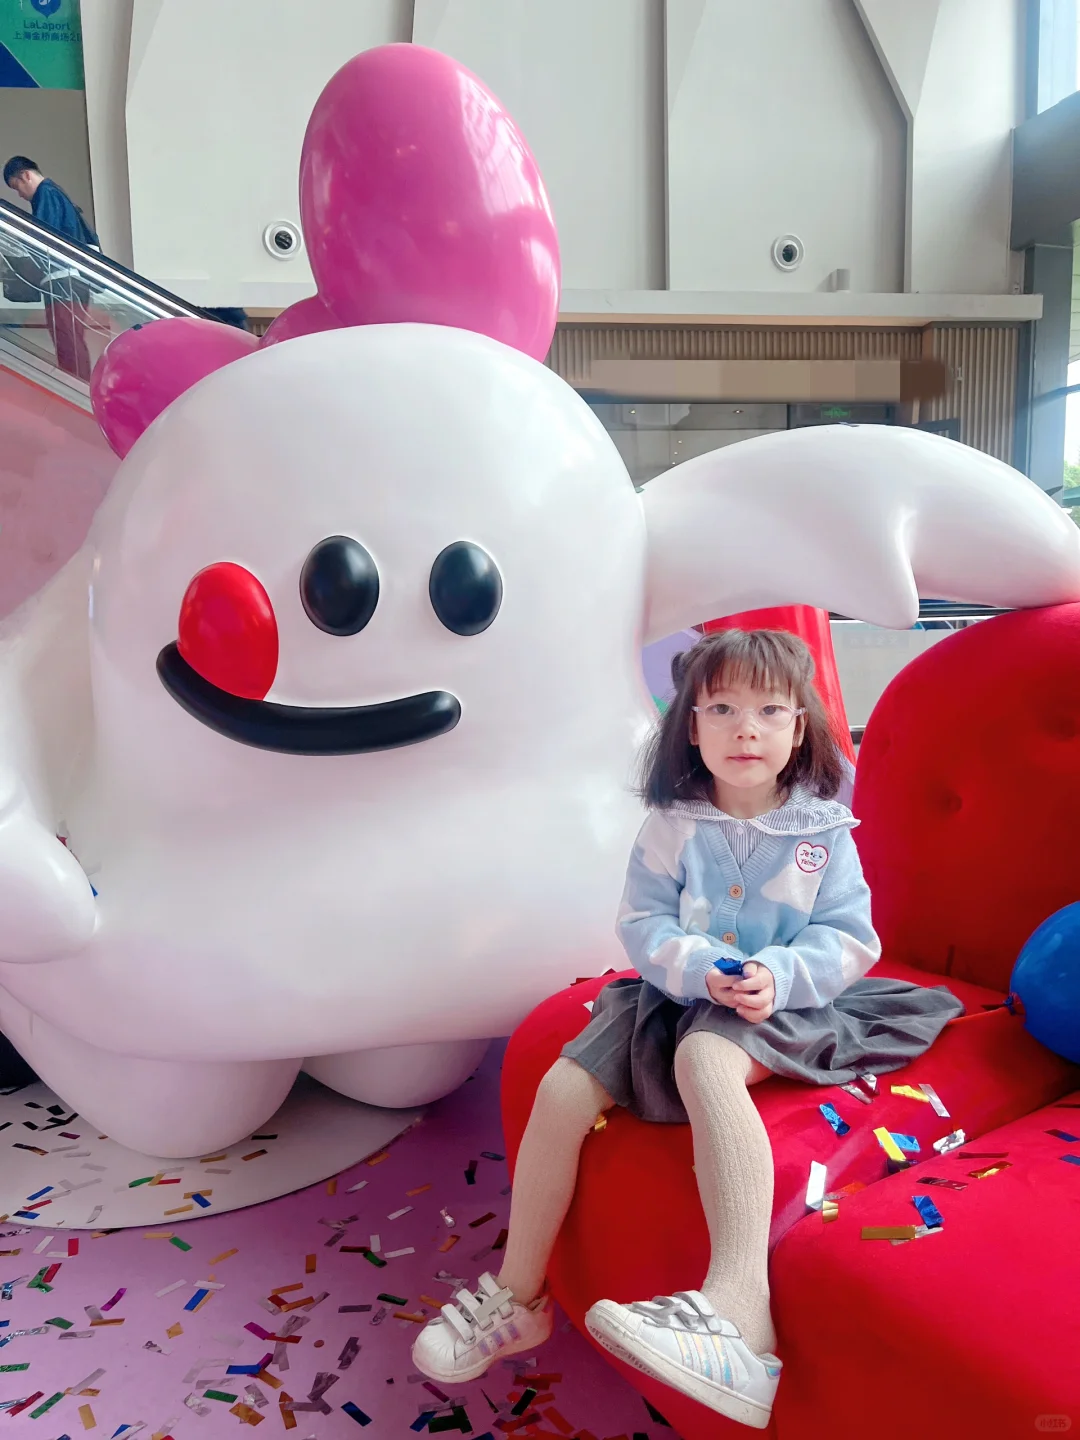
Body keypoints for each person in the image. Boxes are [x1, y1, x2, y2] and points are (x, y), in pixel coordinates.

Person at [412, 629, 963, 1428]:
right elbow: (644, 922)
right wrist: (699, 967)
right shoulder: (673, 824)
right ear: (691, 726)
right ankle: (518, 1294)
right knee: (562, 1088)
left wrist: (780, 975)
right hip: (676, 993)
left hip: (782, 1004)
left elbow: (848, 936)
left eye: (770, 710)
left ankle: (740, 1317)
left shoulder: (822, 833)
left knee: (707, 1057)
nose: (747, 729)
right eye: (723, 709)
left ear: (800, 727)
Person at [3, 156, 99, 381]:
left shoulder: (46, 193)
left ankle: (77, 388)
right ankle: (78, 385)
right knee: (70, 340)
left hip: (63, 281)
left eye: (17, 187)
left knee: (68, 343)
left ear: (26, 175)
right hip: (70, 281)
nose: (20, 195)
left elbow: (44, 238)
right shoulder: (56, 194)